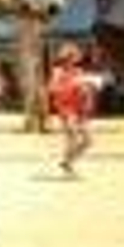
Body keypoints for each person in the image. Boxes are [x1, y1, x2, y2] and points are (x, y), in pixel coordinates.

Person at [47, 43, 98, 177]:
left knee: (88, 140)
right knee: (73, 137)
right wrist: (72, 84)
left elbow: (86, 91)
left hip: (79, 109)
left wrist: (88, 88)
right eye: (73, 56)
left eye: (76, 57)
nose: (75, 60)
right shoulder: (58, 72)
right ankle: (68, 163)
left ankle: (67, 161)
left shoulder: (79, 72)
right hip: (66, 109)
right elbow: (53, 89)